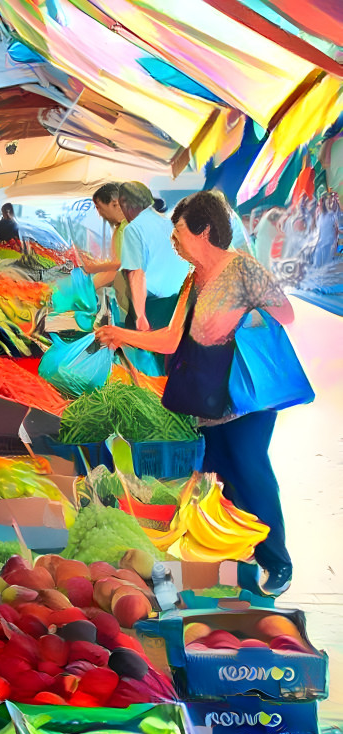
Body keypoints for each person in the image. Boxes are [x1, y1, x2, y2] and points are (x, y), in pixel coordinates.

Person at [94, 191, 297, 596]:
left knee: (249, 467)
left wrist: (241, 319)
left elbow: (285, 313)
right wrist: (121, 335)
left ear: (204, 231)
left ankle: (278, 562)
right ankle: (241, 552)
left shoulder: (243, 269)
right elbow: (171, 340)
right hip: (209, 399)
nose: (173, 241)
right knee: (221, 476)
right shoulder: (193, 281)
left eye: (179, 233)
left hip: (246, 395)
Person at [118, 181, 189, 330]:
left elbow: (136, 273)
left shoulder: (133, 229)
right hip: (179, 303)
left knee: (144, 349)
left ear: (126, 203)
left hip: (153, 308)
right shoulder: (168, 222)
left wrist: (140, 315)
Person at [82, 184, 128, 306]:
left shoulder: (127, 228)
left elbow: (119, 266)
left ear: (115, 203)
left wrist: (94, 268)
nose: (100, 214)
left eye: (99, 208)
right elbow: (115, 264)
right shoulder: (119, 229)